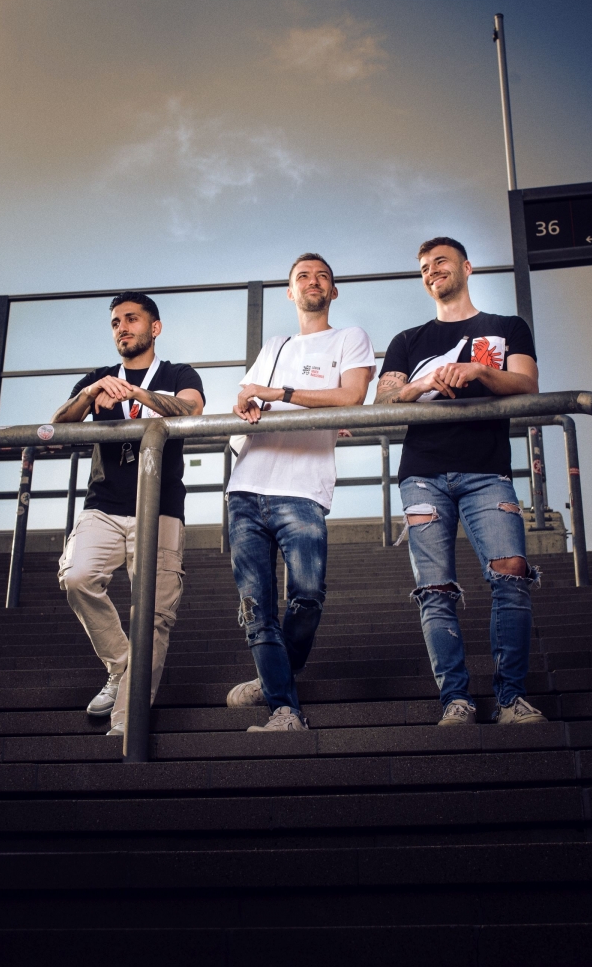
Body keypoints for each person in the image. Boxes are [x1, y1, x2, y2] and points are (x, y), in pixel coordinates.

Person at [376, 236, 546, 726]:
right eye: (424, 267)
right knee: (435, 590)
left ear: (466, 268)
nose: (432, 271)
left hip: (487, 471)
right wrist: (422, 384)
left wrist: (479, 371)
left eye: (441, 262)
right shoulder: (408, 340)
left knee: (511, 573)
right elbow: (381, 404)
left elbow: (528, 384)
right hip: (422, 475)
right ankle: (456, 699)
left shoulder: (506, 327)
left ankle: (510, 698)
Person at [225, 253, 376, 731]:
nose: (314, 281)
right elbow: (246, 392)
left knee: (307, 596)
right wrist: (248, 400)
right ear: (290, 292)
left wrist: (282, 394)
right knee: (256, 607)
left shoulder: (349, 338)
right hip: (247, 488)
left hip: (302, 491)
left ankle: (274, 676)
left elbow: (351, 396)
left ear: (333, 291)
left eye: (323, 276)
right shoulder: (276, 345)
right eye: (303, 277)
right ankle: (284, 709)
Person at [52, 291, 205, 736]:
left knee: (152, 615)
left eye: (132, 319)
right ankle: (121, 665)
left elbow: (192, 408)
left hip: (159, 508)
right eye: (116, 322)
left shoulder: (177, 373)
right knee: (77, 576)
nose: (122, 327)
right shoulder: (99, 378)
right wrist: (90, 393)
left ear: (154, 328)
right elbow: (58, 426)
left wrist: (138, 393)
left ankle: (125, 723)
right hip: (103, 504)